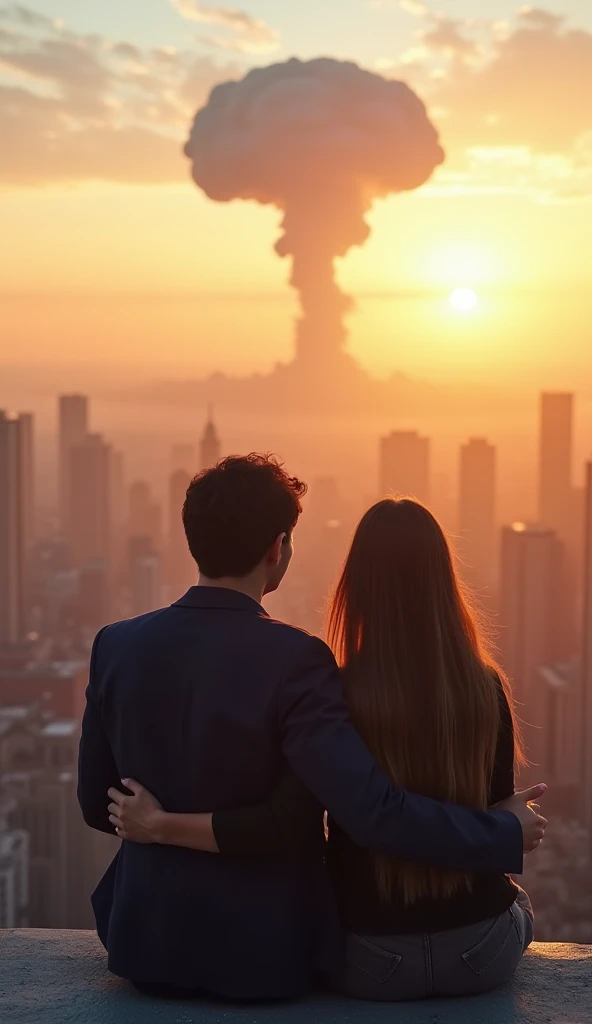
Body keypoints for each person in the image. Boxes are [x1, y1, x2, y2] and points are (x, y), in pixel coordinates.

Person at [79, 457, 546, 1001]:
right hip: (264, 954)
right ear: (277, 548)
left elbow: (96, 804)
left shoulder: (116, 644)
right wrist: (503, 832)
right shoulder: (297, 659)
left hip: (145, 941)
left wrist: (157, 822)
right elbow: (298, 820)